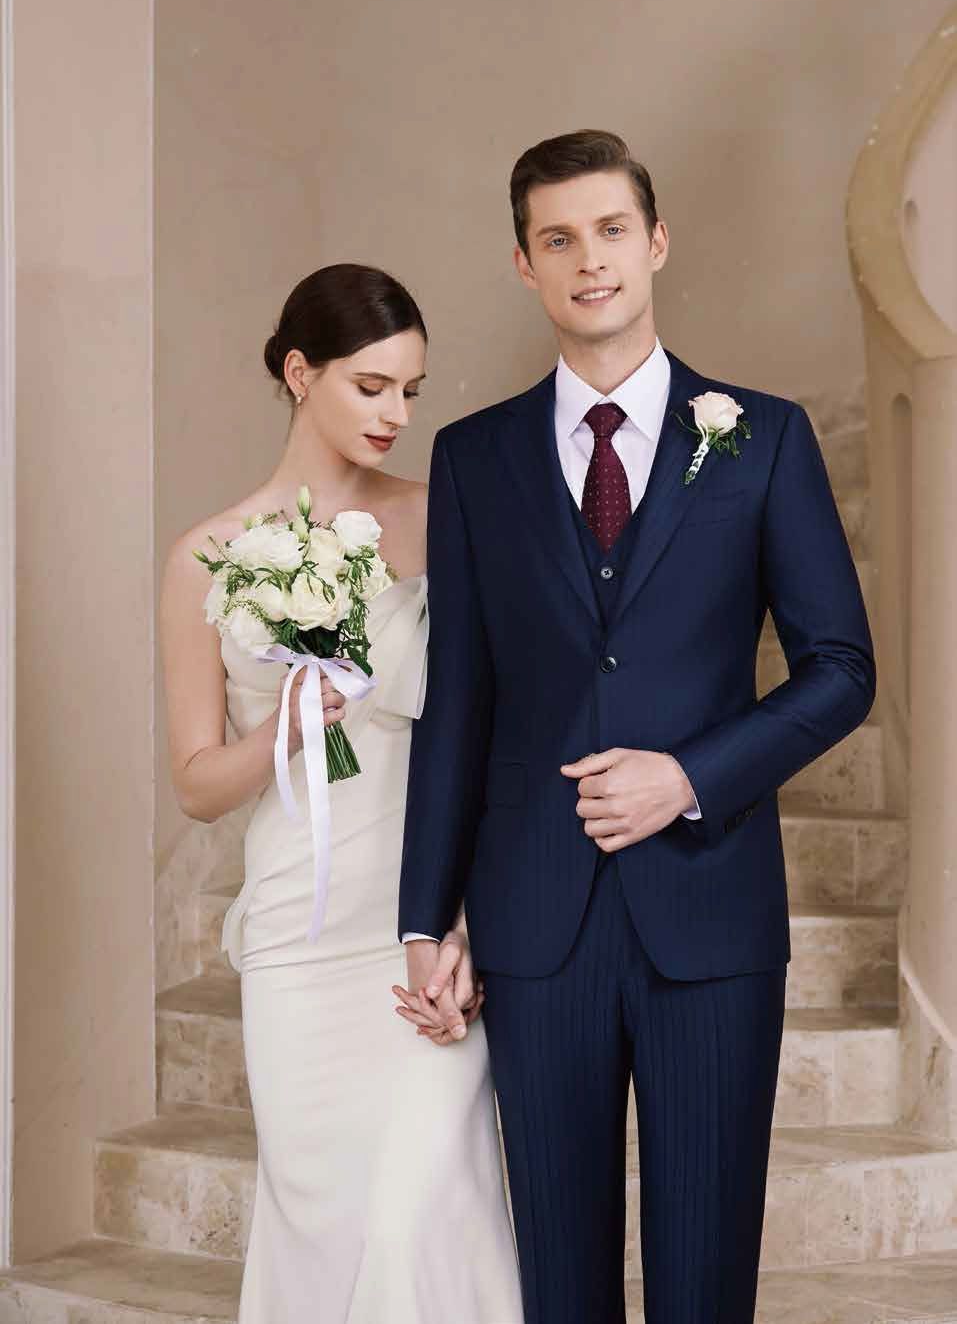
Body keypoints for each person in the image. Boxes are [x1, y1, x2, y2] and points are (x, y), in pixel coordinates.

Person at [398, 132, 876, 1324]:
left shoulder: (764, 438)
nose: (589, 260)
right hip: (532, 918)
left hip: (709, 916)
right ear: (524, 265)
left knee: (704, 1278)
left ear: (655, 243)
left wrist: (691, 776)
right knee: (559, 1283)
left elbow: (840, 670)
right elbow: (458, 697)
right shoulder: (473, 458)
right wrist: (424, 913)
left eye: (610, 230)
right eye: (557, 239)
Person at [161, 263, 522, 1324]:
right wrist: (280, 729)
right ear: (298, 370)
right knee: (319, 1222)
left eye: (411, 388)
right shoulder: (205, 556)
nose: (396, 413)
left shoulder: (440, 517)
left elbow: (494, 729)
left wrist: (465, 915)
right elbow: (194, 784)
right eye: (370, 386)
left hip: (419, 919)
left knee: (426, 1208)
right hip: (297, 928)